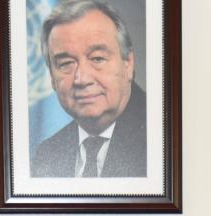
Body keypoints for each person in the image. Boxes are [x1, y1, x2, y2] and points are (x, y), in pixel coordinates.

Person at [31, 0, 147, 178]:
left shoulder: (162, 137)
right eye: (66, 64)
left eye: (97, 59)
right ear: (52, 78)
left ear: (128, 63)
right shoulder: (46, 155)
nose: (82, 79)